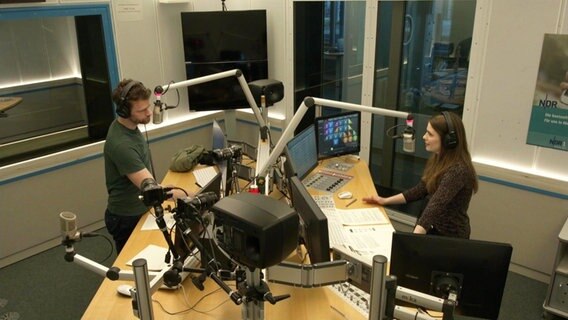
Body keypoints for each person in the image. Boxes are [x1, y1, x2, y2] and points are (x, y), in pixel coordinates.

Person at [363, 111, 478, 238]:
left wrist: (413, 240)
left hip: (450, 238)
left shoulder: (458, 170)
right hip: (433, 229)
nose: (424, 137)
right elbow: (420, 190)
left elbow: (435, 205)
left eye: (430, 134)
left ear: (448, 140)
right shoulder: (439, 159)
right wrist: (384, 200)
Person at [104, 79, 185, 253]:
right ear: (124, 112)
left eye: (147, 107)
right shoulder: (122, 145)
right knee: (133, 266)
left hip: (139, 208)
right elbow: (152, 190)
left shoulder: (129, 126)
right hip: (126, 217)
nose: (149, 113)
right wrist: (188, 196)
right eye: (141, 110)